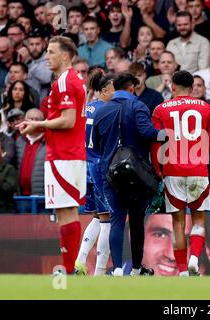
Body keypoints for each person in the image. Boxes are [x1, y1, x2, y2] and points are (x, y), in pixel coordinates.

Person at [17, 36, 87, 275]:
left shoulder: (66, 81)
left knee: (66, 210)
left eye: (51, 52)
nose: (46, 57)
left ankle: (68, 270)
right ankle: (72, 268)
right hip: (69, 154)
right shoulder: (69, 80)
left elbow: (68, 120)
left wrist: (39, 125)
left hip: (64, 155)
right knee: (68, 210)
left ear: (65, 56)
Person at [92, 72, 159, 277]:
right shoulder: (138, 106)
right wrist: (168, 134)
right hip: (137, 175)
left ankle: (118, 268)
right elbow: (148, 133)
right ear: (131, 88)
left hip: (111, 175)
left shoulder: (101, 111)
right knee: (137, 221)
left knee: (116, 221)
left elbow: (96, 142)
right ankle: (137, 269)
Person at [151, 70, 210, 276]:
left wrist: (157, 168)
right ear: (192, 87)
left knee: (177, 223)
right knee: (198, 220)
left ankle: (181, 271)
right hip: (198, 169)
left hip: (172, 170)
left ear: (172, 86)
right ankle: (195, 259)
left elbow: (156, 141)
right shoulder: (206, 108)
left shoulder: (161, 109)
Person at [74, 71, 115, 277]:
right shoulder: (107, 109)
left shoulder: (86, 108)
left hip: (85, 165)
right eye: (113, 88)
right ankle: (99, 273)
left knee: (98, 217)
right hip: (100, 166)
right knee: (108, 218)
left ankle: (80, 262)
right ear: (104, 90)